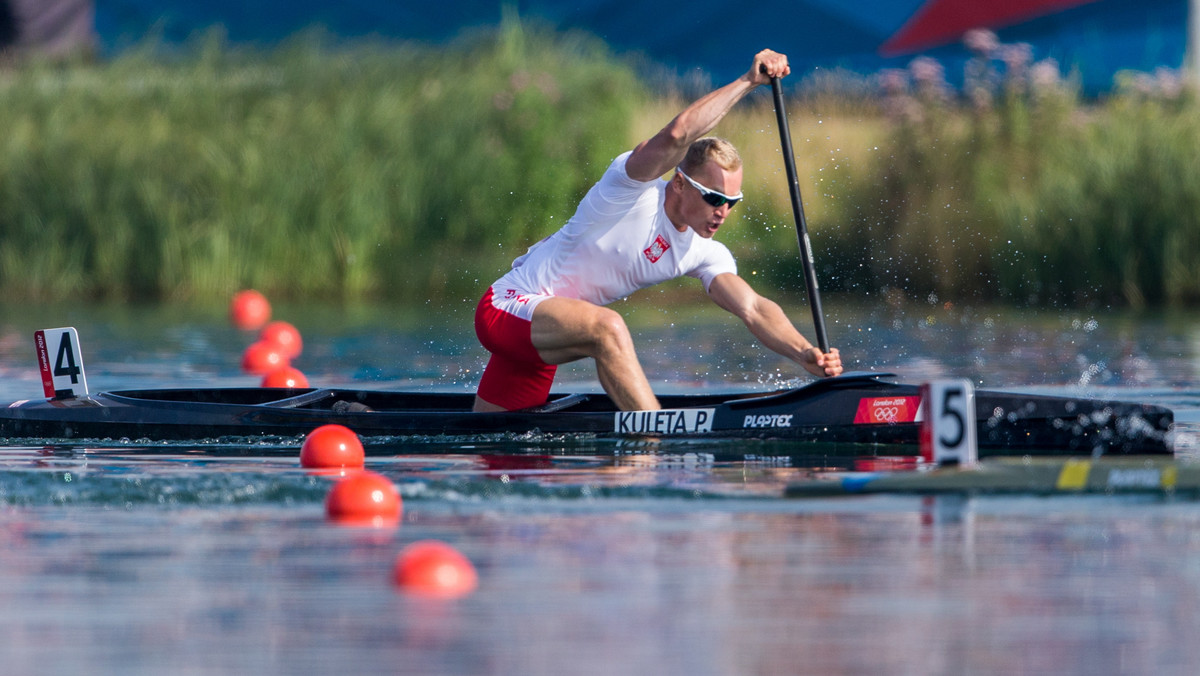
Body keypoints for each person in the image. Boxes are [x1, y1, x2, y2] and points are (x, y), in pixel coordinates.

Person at [473, 49, 843, 412]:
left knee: (497, 452)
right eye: (714, 197)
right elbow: (677, 134)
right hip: (507, 308)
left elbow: (754, 309)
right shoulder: (628, 189)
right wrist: (748, 82)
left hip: (548, 333)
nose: (723, 211)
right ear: (679, 183)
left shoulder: (704, 250)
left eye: (732, 202)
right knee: (609, 329)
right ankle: (655, 439)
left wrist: (804, 352)